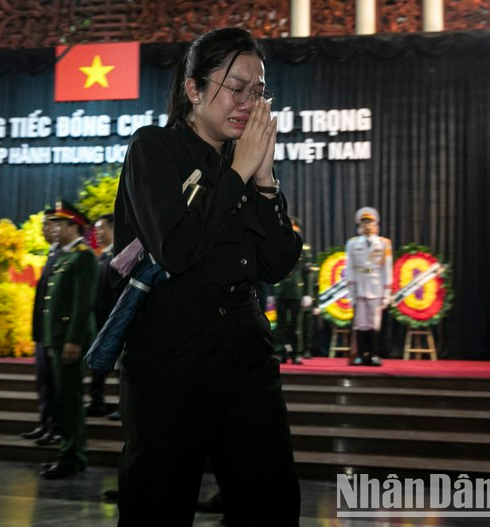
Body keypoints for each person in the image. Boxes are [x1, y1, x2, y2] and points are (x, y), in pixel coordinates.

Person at [112, 28, 302, 526]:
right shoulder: (154, 149)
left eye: (258, 91)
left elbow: (278, 263)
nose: (248, 102)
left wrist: (264, 181)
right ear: (194, 90)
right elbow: (176, 250)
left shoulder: (238, 165)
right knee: (159, 501)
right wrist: (238, 174)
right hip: (173, 350)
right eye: (236, 87)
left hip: (245, 345)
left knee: (272, 500)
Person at [40, 199, 97, 479]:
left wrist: (74, 340)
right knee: (63, 399)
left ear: (74, 227)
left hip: (69, 341)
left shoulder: (83, 257)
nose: (54, 229)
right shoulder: (65, 256)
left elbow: (82, 304)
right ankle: (67, 452)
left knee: (71, 400)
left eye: (60, 224)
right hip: (57, 339)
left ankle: (72, 455)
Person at [22, 209, 63, 446]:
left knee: (55, 384)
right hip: (44, 332)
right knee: (44, 381)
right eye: (45, 225)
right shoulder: (52, 254)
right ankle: (46, 423)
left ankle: (56, 428)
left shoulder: (67, 256)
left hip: (55, 333)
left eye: (50, 225)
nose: (46, 229)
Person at [345, 207, 393, 366]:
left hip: (376, 287)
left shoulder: (383, 244)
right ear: (360, 225)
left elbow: (387, 269)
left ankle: (372, 355)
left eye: (370, 223)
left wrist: (387, 293)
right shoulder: (352, 243)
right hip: (359, 286)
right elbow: (349, 267)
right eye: (364, 223)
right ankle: (359, 355)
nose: (367, 226)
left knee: (374, 323)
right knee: (360, 323)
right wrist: (350, 291)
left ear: (375, 225)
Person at [86, 213, 120, 418]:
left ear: (113, 229)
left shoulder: (118, 256)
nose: (97, 233)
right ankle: (96, 402)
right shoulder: (103, 257)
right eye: (95, 230)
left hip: (111, 322)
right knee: (99, 366)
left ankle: (121, 407)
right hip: (100, 322)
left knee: (118, 367)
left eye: (101, 229)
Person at [273, 217, 314, 364]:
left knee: (296, 325)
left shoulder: (304, 249)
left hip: (297, 290)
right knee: (281, 324)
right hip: (281, 290)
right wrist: (272, 292)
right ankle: (280, 351)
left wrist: (308, 294)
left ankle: (297, 352)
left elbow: (307, 273)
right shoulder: (277, 246)